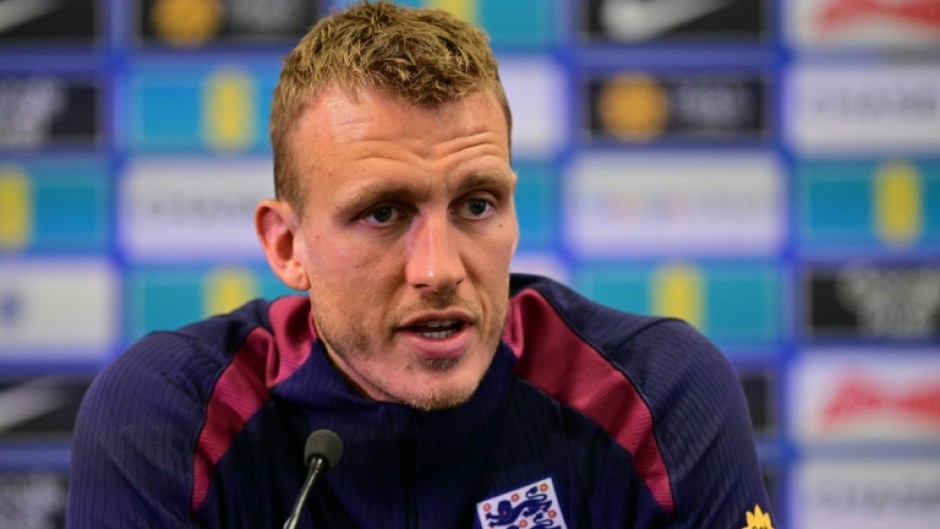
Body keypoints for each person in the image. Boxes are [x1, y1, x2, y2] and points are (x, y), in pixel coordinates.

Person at [67, 2, 774, 528]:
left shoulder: (656, 396)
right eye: (383, 213)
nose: (439, 270)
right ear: (288, 247)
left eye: (475, 204)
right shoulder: (171, 419)